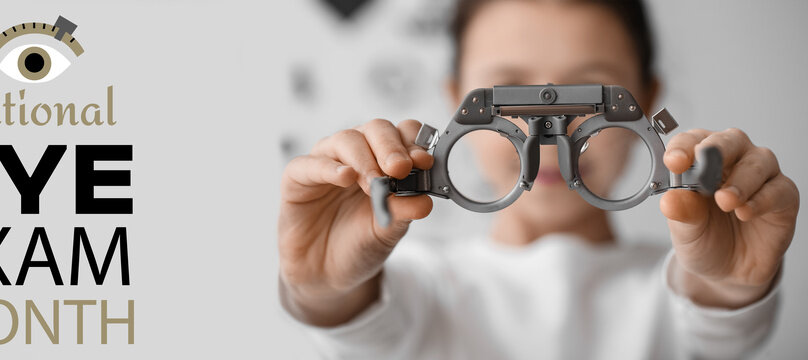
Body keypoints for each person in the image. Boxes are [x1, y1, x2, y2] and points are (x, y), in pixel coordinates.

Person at [276, 0, 801, 358]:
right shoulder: (418, 283)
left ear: (649, 97)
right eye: (510, 90)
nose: (548, 134)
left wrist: (727, 286)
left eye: (589, 89)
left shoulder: (682, 286)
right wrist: (324, 291)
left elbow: (712, 326)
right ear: (454, 95)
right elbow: (366, 325)